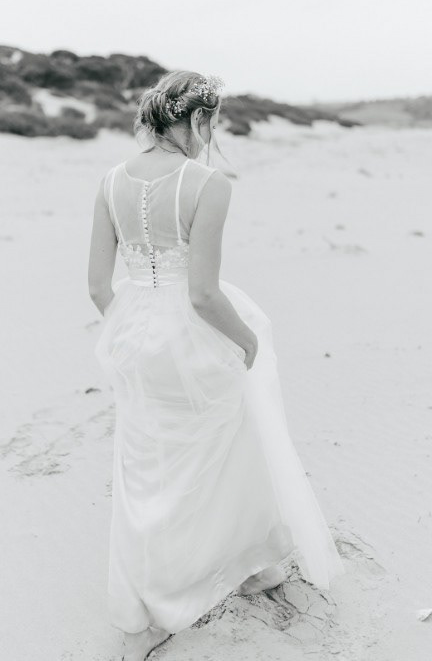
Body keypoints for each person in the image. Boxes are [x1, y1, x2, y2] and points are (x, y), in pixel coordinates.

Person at [88, 71, 345, 660]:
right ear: (198, 118)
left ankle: (145, 609)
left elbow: (99, 286)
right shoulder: (207, 183)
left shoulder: (109, 181)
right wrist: (246, 340)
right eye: (211, 123)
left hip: (134, 335)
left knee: (146, 467)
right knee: (232, 445)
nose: (210, 135)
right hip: (189, 335)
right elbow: (203, 294)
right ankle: (248, 565)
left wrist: (132, 330)